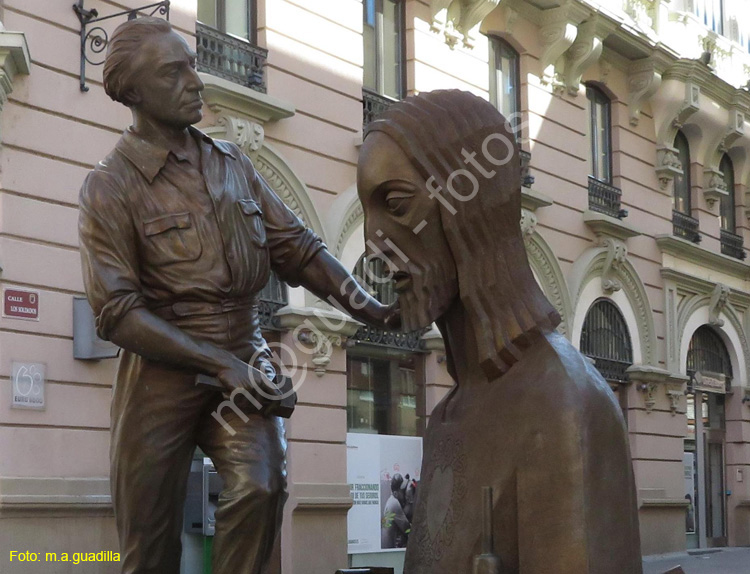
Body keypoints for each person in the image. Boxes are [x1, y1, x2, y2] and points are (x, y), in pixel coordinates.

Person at [79, 17, 396, 574]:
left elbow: (298, 248)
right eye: (173, 72)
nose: (194, 82)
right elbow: (116, 313)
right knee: (148, 545)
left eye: (192, 67)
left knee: (262, 486)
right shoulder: (110, 185)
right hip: (159, 373)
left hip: (244, 350)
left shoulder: (232, 164)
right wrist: (220, 365)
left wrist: (372, 308)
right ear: (133, 91)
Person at [357, 90, 643, 574]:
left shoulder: (563, 405)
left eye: (397, 204)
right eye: (370, 211)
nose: (372, 243)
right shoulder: (448, 412)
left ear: (472, 211)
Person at [381, 474, 411, 549]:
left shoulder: (391, 500)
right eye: (402, 490)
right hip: (389, 550)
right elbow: (408, 529)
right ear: (395, 493)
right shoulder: (394, 503)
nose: (404, 492)